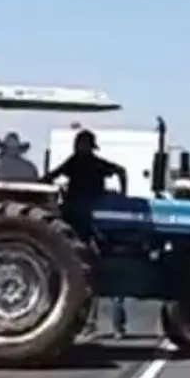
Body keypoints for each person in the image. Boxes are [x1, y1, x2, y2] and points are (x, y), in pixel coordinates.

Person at [44, 129, 129, 338]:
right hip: (88, 218)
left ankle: (101, 324)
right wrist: (122, 196)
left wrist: (42, 183)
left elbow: (51, 176)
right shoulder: (86, 163)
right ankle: (109, 325)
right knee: (101, 266)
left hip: (79, 218)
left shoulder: (77, 162)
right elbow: (121, 170)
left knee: (95, 267)